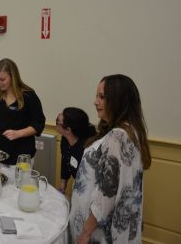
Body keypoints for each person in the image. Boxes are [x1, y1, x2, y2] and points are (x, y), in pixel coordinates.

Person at [69, 74, 152, 244]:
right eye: (96, 96)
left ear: (118, 100)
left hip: (98, 233)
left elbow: (107, 193)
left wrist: (85, 232)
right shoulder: (133, 131)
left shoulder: (117, 137)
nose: (95, 101)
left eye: (102, 97)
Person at [55, 107, 97, 194]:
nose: (56, 123)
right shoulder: (65, 140)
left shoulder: (88, 150)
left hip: (91, 190)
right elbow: (65, 160)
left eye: (57, 122)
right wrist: (63, 184)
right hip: (79, 184)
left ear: (68, 130)